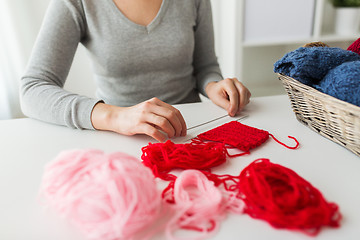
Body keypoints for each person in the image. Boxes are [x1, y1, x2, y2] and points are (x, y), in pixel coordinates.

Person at [20, 0, 251, 142]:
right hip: (119, 137)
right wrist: (116, 116)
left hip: (188, 131)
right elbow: (32, 89)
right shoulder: (76, 2)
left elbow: (205, 66)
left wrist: (214, 85)